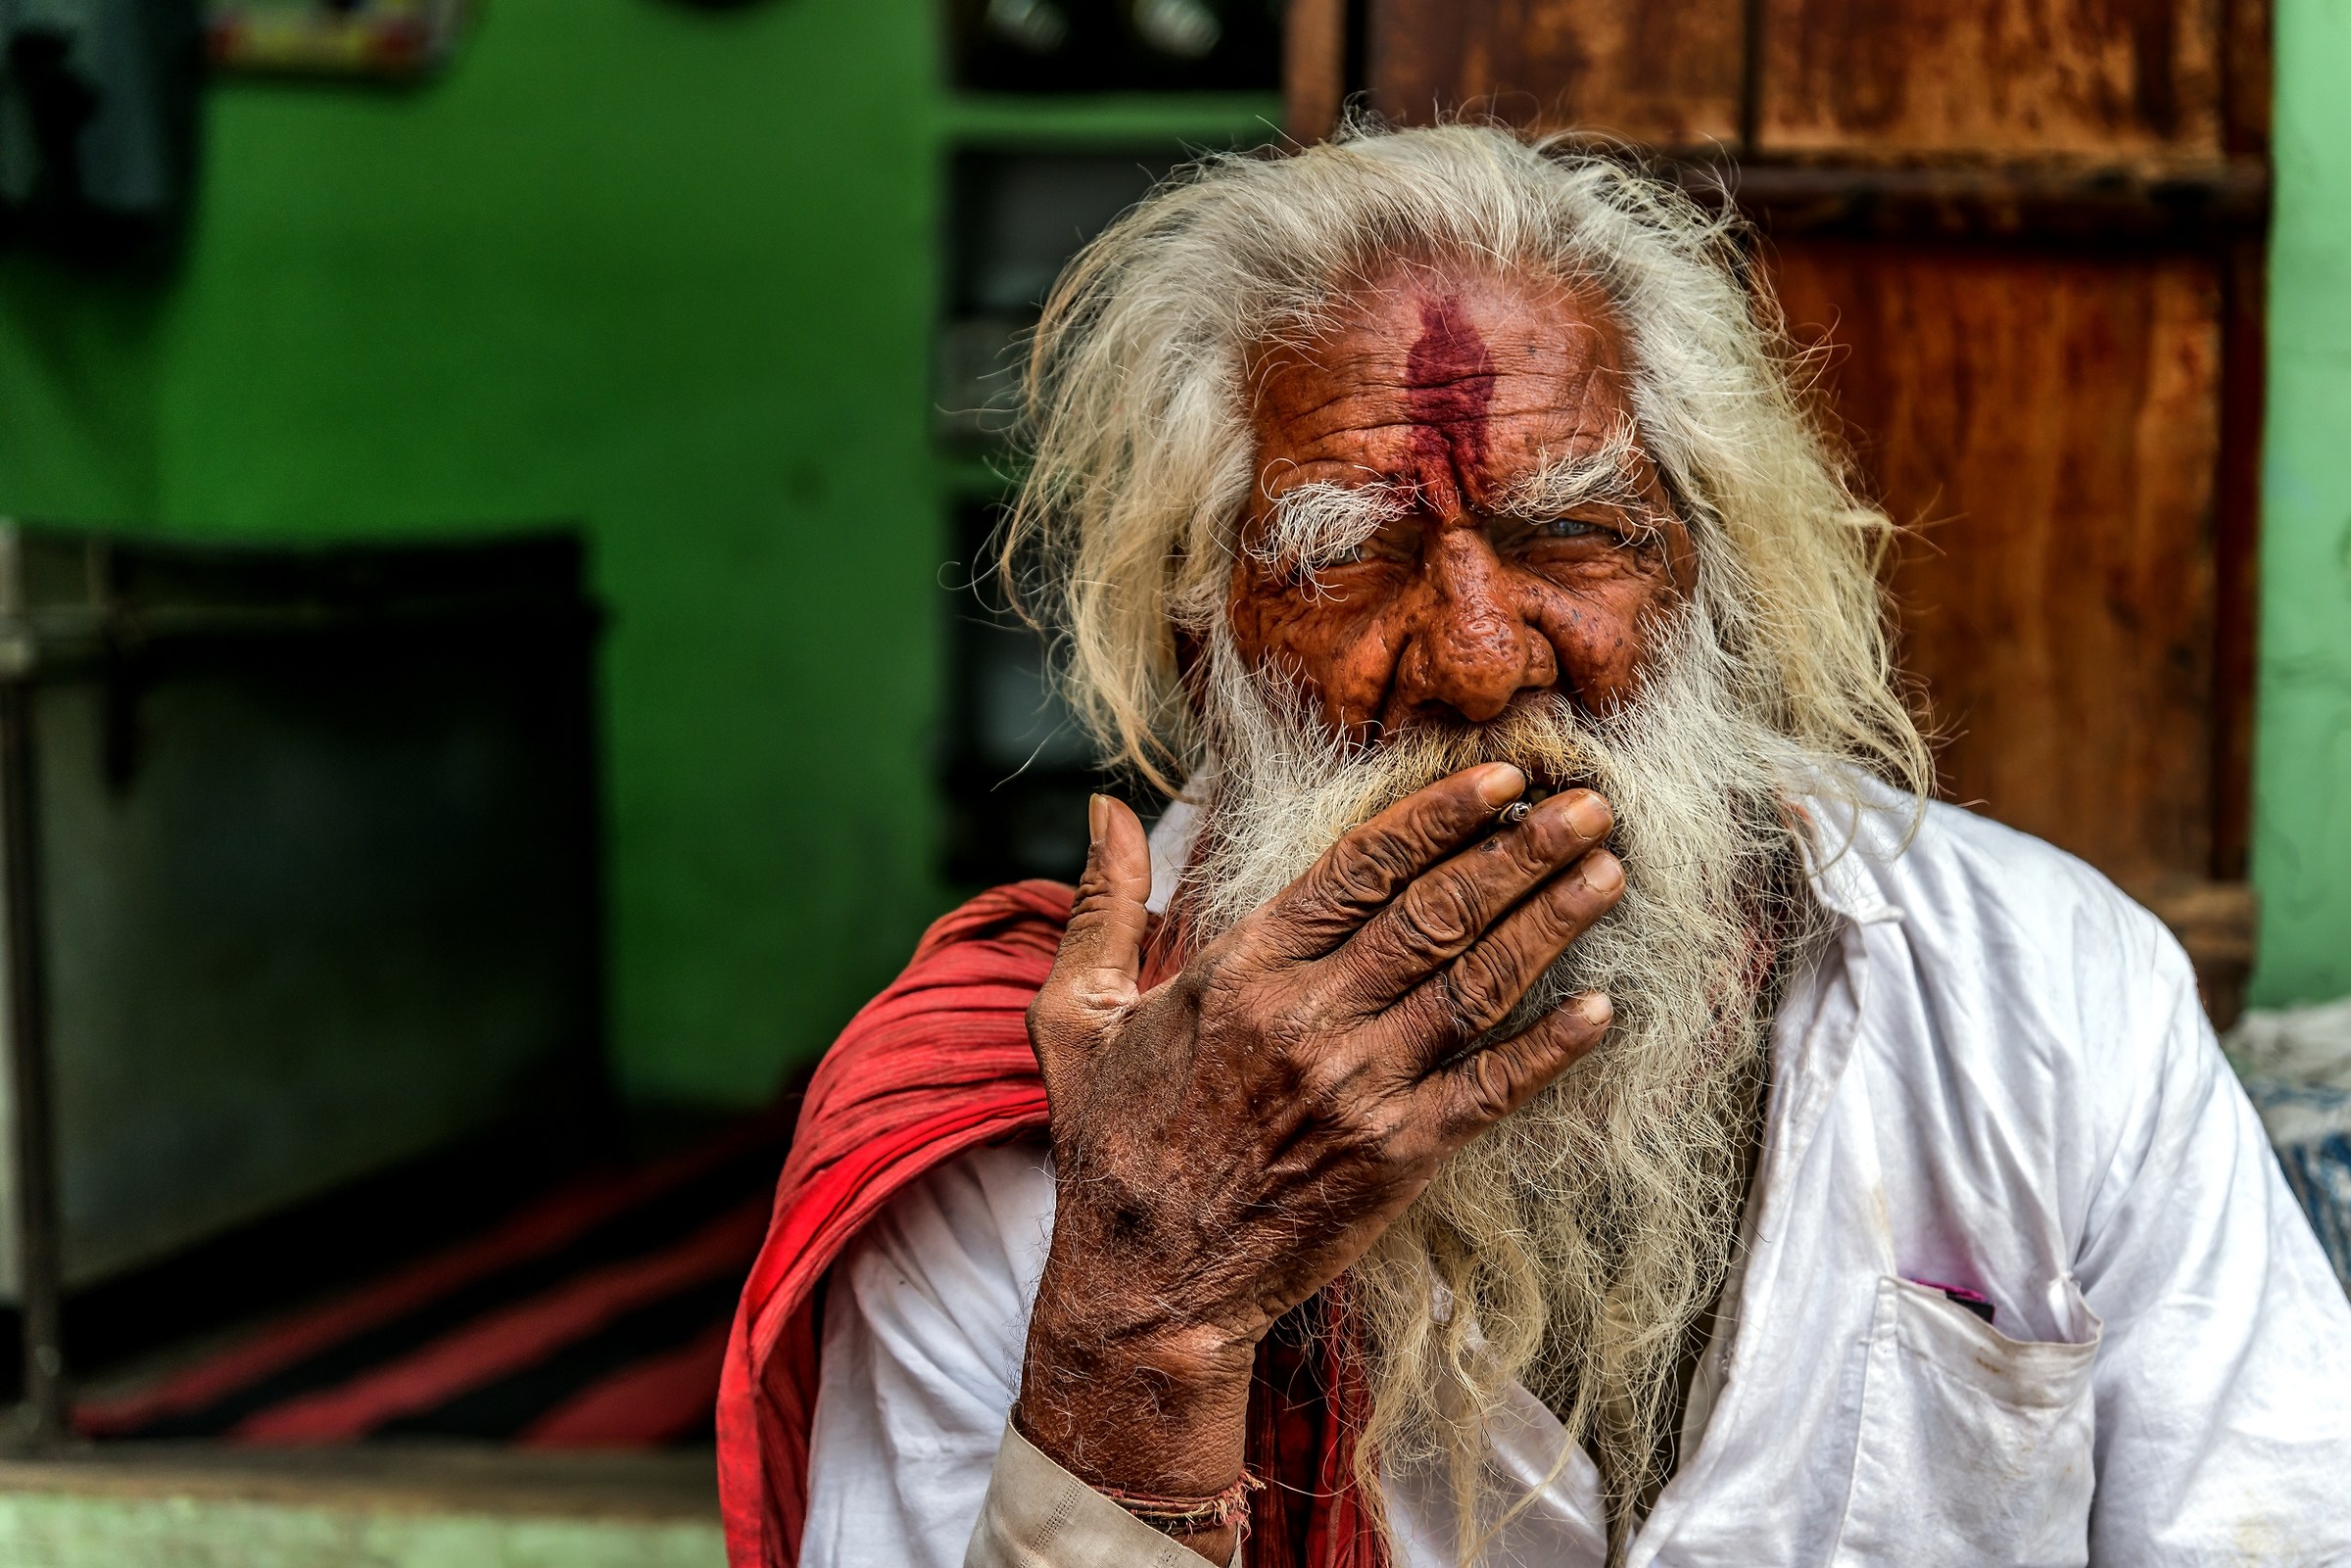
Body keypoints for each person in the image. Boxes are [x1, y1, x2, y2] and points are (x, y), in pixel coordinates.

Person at [718, 122, 2351, 1568]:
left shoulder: (2048, 995)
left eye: (1572, 531)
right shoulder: (1036, 1158)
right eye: (1349, 560)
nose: (1484, 658)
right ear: (1203, 633)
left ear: (1707, 570)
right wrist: (1145, 1327)